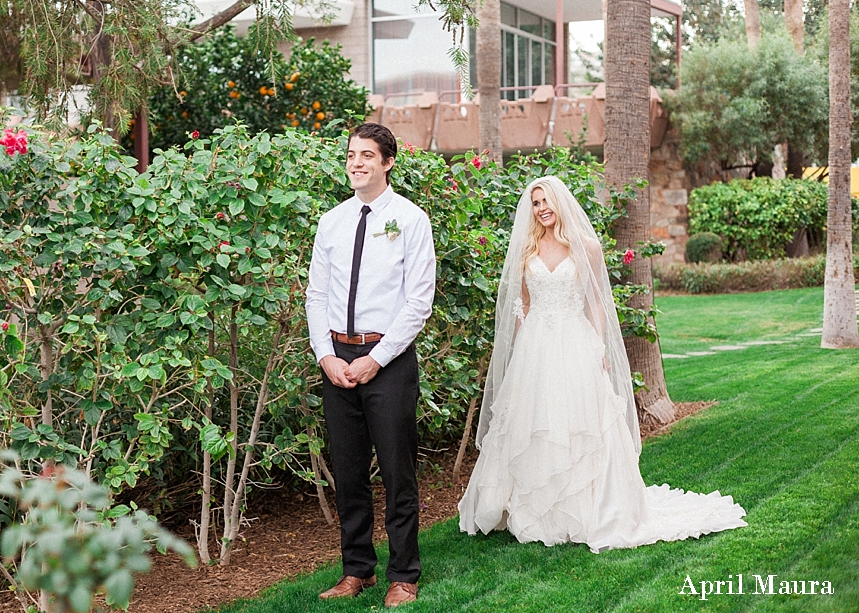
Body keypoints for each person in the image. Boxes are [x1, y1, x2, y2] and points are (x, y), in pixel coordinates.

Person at [458, 175, 746, 552]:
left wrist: (600, 348)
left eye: (546, 201)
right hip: (535, 346)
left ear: (561, 203)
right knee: (534, 424)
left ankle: (588, 507)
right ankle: (530, 507)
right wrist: (515, 353)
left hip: (574, 341)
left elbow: (596, 302)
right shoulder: (527, 248)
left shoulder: (586, 247)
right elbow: (522, 305)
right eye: (535, 203)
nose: (542, 208)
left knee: (580, 424)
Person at [306, 123, 436, 607]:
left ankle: (404, 574)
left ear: (388, 162)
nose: (356, 162)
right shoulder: (331, 222)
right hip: (337, 360)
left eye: (367, 155)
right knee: (349, 471)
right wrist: (326, 356)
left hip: (390, 361)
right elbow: (316, 294)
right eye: (351, 155)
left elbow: (418, 301)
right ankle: (356, 570)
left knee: (399, 473)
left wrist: (376, 360)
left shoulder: (411, 220)